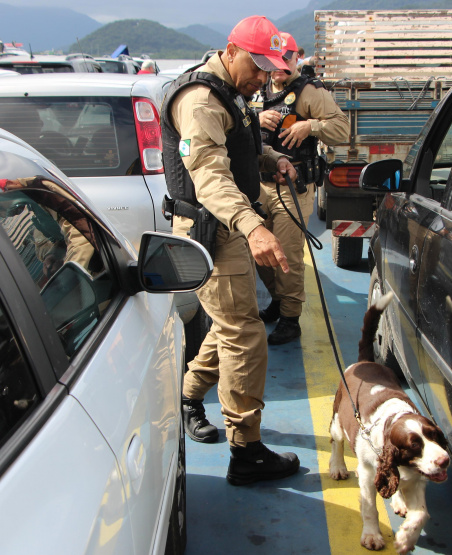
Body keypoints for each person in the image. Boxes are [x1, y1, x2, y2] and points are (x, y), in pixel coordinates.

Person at [160, 15, 302, 486]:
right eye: (258, 66)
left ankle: (187, 396)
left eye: (269, 70)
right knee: (243, 334)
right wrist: (252, 226)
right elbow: (210, 176)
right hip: (213, 232)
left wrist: (272, 158)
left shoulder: (232, 93)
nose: (264, 77)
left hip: (230, 229)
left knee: (230, 328)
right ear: (230, 50)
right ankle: (246, 451)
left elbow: (239, 149)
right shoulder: (201, 101)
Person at [251, 31, 348, 344]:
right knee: (257, 251)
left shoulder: (308, 92)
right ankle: (279, 300)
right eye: (272, 60)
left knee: (288, 255)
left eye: (284, 59)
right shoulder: (256, 86)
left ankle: (290, 319)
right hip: (258, 187)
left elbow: (342, 129)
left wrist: (311, 126)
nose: (278, 66)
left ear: (295, 58)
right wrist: (255, 117)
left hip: (294, 189)